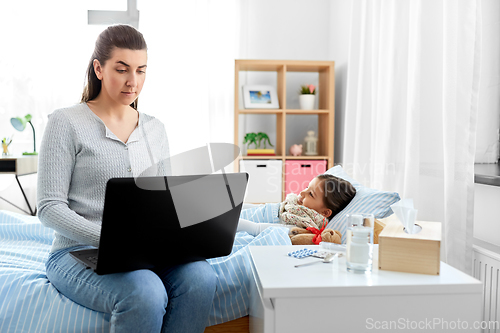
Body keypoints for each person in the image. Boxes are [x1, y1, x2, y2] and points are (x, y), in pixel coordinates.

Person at [37, 24, 217, 333]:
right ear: (99, 69)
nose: (133, 82)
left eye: (141, 71)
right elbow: (49, 208)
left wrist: (189, 233)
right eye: (122, 70)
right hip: (77, 251)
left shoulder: (155, 128)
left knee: (203, 277)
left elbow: (165, 200)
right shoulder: (66, 122)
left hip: (145, 250)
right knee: (145, 292)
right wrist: (110, 240)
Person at [237, 174, 357, 236]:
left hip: (236, 227)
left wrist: (224, 222)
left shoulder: (301, 226)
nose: (302, 192)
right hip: (236, 217)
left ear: (325, 212)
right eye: (306, 187)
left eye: (311, 194)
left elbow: (255, 229)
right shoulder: (292, 206)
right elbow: (259, 208)